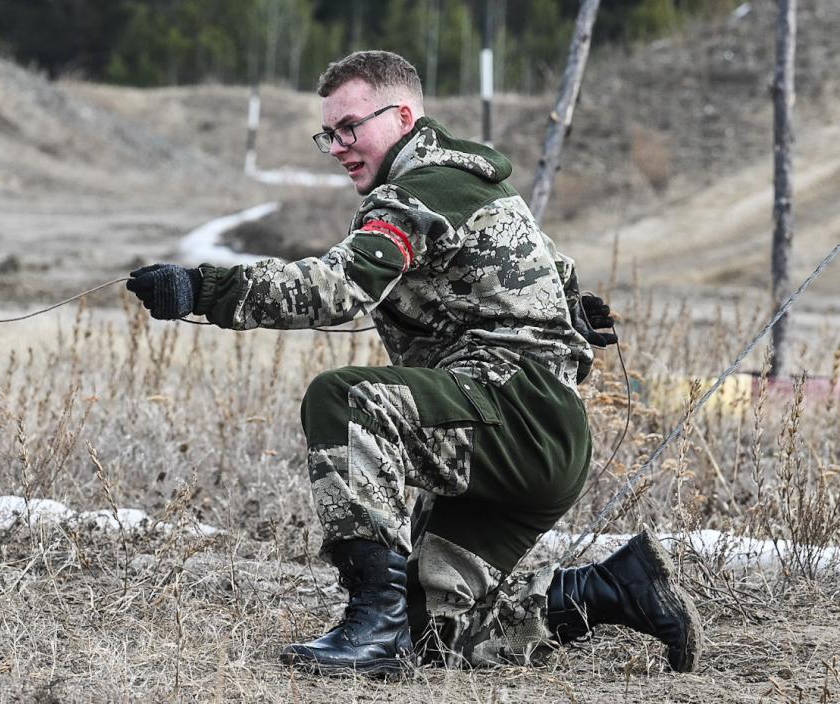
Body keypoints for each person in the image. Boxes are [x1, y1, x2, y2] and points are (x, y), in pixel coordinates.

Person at [125, 50, 701, 676]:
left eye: (351, 127)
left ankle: (370, 625)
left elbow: (337, 287)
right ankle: (618, 588)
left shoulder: (420, 190)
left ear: (402, 115)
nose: (340, 145)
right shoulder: (465, 181)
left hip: (514, 418)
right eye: (330, 134)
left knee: (345, 400)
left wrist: (203, 289)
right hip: (529, 437)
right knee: (434, 635)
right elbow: (559, 283)